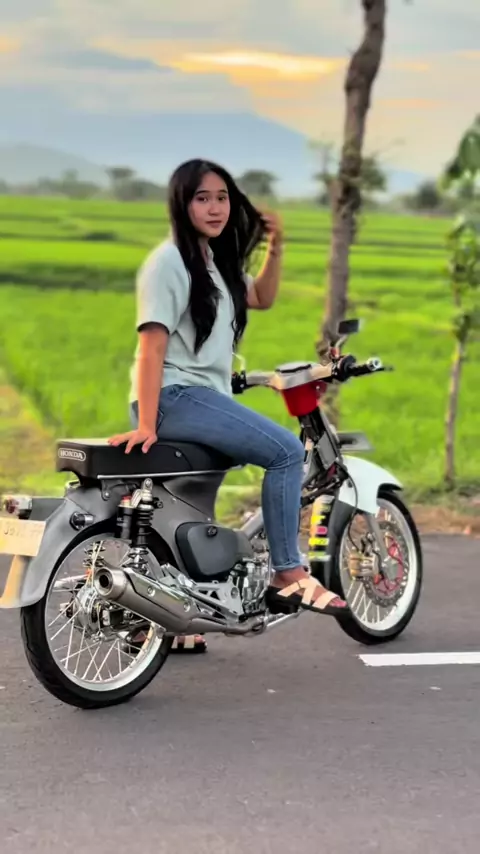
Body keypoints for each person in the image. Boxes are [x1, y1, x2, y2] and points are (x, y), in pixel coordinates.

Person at [109, 158, 349, 654]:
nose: (215, 208)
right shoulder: (169, 262)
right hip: (175, 397)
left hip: (201, 398)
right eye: (203, 198)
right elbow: (151, 347)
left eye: (222, 198)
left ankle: (172, 619)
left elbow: (260, 296)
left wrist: (277, 247)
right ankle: (288, 572)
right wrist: (149, 423)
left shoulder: (213, 261)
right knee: (286, 452)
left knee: (192, 512)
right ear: (182, 204)